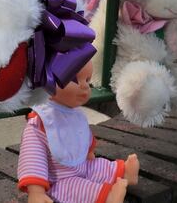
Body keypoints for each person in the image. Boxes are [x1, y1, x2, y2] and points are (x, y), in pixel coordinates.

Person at [17, 61, 140, 203]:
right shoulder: (40, 122)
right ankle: (107, 196)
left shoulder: (73, 112)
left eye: (87, 80)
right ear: (47, 80)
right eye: (74, 79)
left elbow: (81, 134)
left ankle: (125, 172)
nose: (85, 86)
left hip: (82, 165)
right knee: (75, 187)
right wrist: (36, 192)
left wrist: (87, 152)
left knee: (98, 166)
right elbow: (32, 159)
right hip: (57, 180)